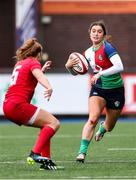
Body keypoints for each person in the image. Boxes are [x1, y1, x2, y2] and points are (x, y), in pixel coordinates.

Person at [65, 20, 125, 163]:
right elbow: (78, 72)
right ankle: (82, 152)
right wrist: (69, 67)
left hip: (116, 90)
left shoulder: (108, 48)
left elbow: (119, 66)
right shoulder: (86, 53)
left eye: (99, 31)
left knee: (109, 127)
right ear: (89, 34)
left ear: (103, 35)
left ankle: (102, 129)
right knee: (92, 118)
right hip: (98, 89)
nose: (96, 34)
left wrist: (100, 73)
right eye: (94, 31)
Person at [3, 38, 60, 170]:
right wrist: (49, 86)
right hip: (18, 105)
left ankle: (47, 161)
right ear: (38, 54)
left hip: (8, 106)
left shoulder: (20, 63)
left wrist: (42, 70)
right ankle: (35, 154)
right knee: (54, 123)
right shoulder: (33, 63)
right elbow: (39, 77)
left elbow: (30, 76)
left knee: (46, 125)